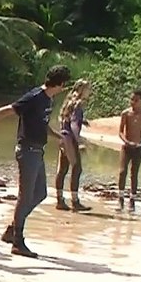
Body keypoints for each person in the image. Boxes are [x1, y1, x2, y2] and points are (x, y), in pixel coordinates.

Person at [0, 65, 72, 258]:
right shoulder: (35, 97)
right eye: (64, 85)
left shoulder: (48, 100)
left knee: (41, 193)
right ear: (60, 84)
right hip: (27, 151)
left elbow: (41, 125)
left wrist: (57, 136)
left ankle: (13, 228)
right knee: (25, 196)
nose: (63, 89)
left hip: (38, 151)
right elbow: (7, 110)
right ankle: (18, 241)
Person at [54, 78, 92, 212]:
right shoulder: (79, 103)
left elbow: (65, 119)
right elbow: (74, 125)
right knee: (77, 168)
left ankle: (59, 200)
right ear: (82, 90)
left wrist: (83, 121)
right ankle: (75, 201)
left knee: (62, 169)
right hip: (70, 138)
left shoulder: (68, 101)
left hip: (62, 136)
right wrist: (80, 140)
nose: (90, 91)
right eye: (88, 89)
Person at [117, 90, 141, 212]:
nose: (133, 102)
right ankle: (120, 198)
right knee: (122, 172)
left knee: (134, 173)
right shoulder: (126, 113)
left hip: (138, 147)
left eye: (136, 100)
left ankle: (132, 200)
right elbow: (120, 131)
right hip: (127, 147)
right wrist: (126, 141)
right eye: (131, 99)